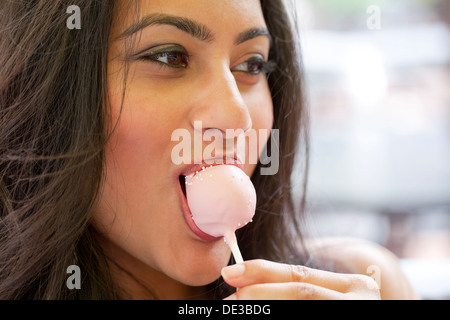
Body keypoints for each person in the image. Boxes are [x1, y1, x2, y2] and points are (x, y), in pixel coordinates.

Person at [0, 0, 417, 299]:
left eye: (252, 65)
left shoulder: (369, 283)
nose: (237, 116)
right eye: (169, 56)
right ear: (52, 94)